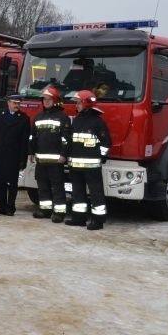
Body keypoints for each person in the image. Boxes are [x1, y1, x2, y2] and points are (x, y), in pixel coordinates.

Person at [65, 90, 111, 230]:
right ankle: (79, 218)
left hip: (92, 166)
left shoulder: (97, 122)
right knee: (77, 193)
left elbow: (106, 142)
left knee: (96, 193)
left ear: (86, 103)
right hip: (76, 165)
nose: (76, 105)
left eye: (78, 102)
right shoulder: (77, 120)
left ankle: (98, 220)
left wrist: (101, 157)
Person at [29, 86, 71, 222]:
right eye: (44, 99)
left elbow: (66, 139)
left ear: (55, 101)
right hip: (41, 160)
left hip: (56, 161)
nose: (46, 102)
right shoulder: (38, 117)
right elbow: (32, 137)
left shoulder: (63, 118)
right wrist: (30, 152)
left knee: (57, 187)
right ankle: (45, 210)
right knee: (42, 186)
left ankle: (59, 213)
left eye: (49, 99)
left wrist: (63, 155)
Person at [0, 94, 30, 216]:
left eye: (18, 103)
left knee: (12, 183)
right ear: (8, 103)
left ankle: (11, 207)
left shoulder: (23, 119)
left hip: (14, 156)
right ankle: (2, 205)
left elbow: (24, 142)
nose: (17, 105)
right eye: (14, 103)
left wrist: (23, 159)